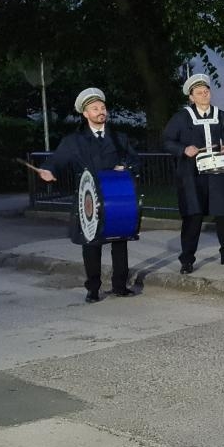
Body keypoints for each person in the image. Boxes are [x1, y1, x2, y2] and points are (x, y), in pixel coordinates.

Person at [35, 88, 140, 303]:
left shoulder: (119, 138)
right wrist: (48, 169)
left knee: (120, 242)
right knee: (91, 244)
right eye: (95, 108)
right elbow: (57, 160)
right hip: (88, 198)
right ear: (85, 113)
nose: (101, 111)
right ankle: (93, 288)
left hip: (116, 199)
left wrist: (126, 166)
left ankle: (120, 285)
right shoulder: (74, 140)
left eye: (102, 107)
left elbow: (136, 160)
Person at [162, 73, 224, 273]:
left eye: (206, 91)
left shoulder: (223, 116)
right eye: (199, 93)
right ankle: (187, 260)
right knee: (193, 216)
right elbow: (167, 141)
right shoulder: (181, 118)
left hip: (219, 173)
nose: (204, 94)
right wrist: (183, 150)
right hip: (192, 175)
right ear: (191, 97)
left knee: (223, 215)